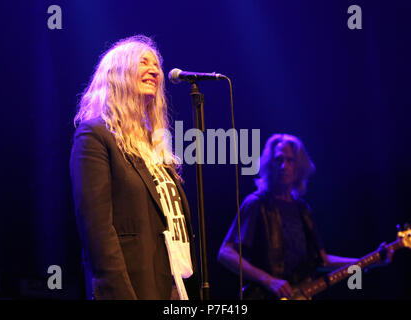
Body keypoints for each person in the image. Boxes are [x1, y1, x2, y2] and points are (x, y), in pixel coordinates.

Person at [70, 35, 199, 300]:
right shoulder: (95, 136)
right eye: (143, 63)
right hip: (133, 285)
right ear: (119, 74)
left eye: (156, 65)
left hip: (173, 282)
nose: (155, 70)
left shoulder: (156, 142)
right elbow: (97, 229)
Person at [218, 134, 389, 300]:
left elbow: (322, 261)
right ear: (270, 165)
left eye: (290, 160)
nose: (284, 166)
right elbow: (225, 252)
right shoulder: (256, 203)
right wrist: (269, 280)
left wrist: (368, 261)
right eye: (278, 160)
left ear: (299, 167)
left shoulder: (302, 209)